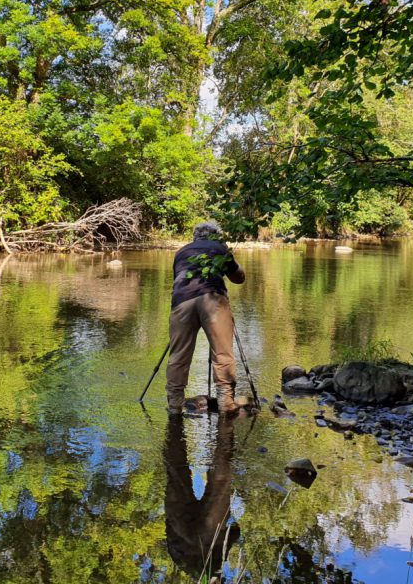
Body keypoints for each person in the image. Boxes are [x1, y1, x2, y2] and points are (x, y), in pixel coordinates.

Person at [167, 221, 245, 415]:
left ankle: (175, 405)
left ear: (195, 237)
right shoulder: (220, 248)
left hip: (181, 302)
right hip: (213, 299)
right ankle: (226, 403)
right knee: (222, 353)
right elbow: (239, 278)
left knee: (178, 355)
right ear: (216, 236)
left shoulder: (181, 252)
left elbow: (178, 280)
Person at [163, 414, 240, 577]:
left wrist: (234, 531)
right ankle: (224, 410)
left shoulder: (212, 570)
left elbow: (234, 534)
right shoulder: (183, 562)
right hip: (182, 531)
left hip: (205, 538)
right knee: (176, 470)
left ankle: (175, 413)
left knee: (220, 478)